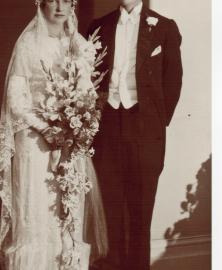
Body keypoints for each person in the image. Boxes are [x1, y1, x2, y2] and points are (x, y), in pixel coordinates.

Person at [0, 1, 107, 269]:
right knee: (39, 211)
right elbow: (16, 100)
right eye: (53, 0)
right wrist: (45, 127)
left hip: (69, 138)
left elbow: (86, 93)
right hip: (35, 141)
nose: (59, 7)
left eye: (66, 0)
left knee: (69, 207)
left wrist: (77, 122)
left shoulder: (79, 44)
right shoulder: (28, 44)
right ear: (41, 3)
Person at [87, 0, 183, 269]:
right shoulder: (98, 27)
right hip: (107, 127)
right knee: (111, 208)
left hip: (145, 130)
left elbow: (173, 80)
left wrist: (156, 122)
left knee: (141, 212)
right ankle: (114, 264)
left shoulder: (164, 28)